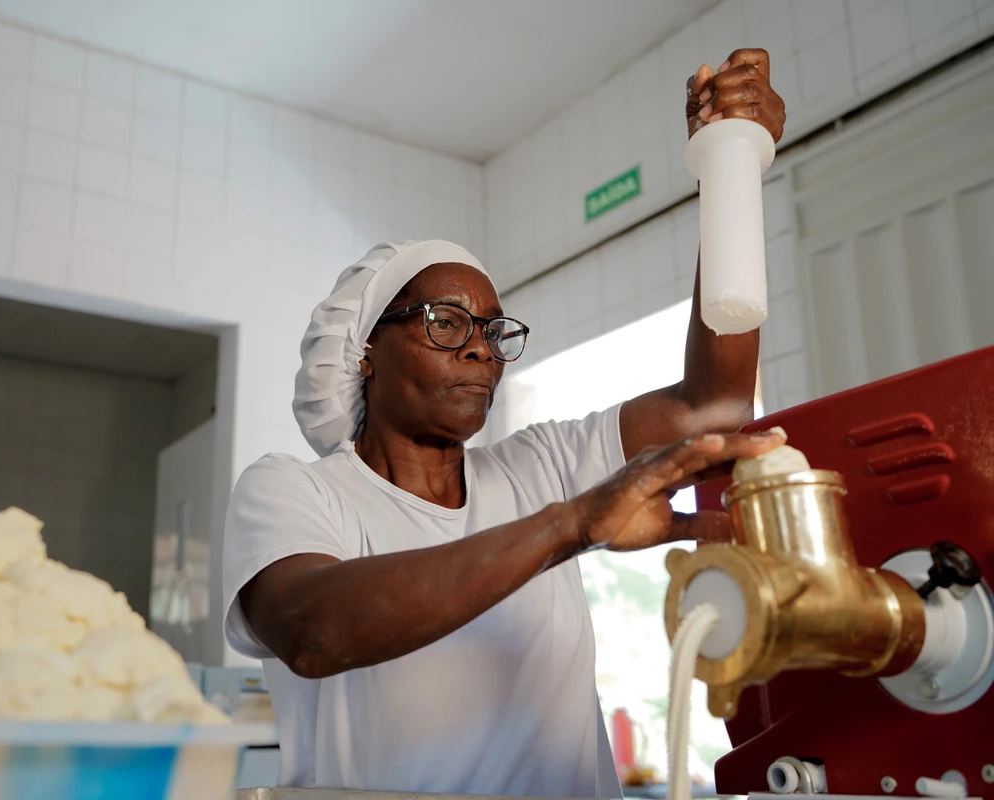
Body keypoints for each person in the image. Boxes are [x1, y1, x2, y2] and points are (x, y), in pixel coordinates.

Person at [222, 49, 787, 796]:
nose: (482, 351)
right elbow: (312, 630)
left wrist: (731, 174)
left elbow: (711, 408)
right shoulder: (297, 493)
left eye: (493, 332)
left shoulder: (537, 465)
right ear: (363, 352)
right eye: (447, 322)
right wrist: (569, 526)